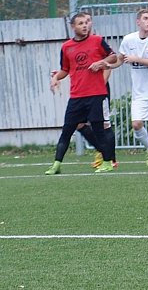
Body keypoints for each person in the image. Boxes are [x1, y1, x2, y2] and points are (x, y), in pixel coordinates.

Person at [45, 12, 119, 174]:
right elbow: (65, 69)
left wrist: (101, 63)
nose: (85, 25)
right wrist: (56, 78)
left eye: (86, 22)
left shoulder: (97, 41)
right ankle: (56, 164)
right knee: (67, 130)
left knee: (99, 129)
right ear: (73, 27)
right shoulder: (66, 47)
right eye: (80, 23)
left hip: (96, 93)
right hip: (77, 96)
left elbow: (113, 57)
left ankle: (108, 162)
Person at [109, 9, 148, 169]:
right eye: (145, 18)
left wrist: (136, 59)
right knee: (136, 124)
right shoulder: (128, 40)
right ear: (138, 22)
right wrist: (108, 65)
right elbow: (120, 59)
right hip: (140, 91)